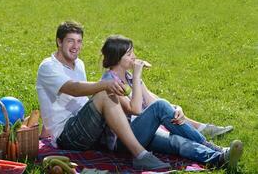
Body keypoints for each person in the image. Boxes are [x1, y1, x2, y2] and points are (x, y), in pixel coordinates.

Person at [37, 21, 172, 170]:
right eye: (70, 41)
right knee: (104, 94)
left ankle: (197, 145)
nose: (76, 46)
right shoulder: (48, 66)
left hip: (86, 127)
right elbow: (74, 89)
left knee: (163, 136)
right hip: (67, 135)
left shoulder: (79, 64)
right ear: (59, 42)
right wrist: (105, 85)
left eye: (79, 41)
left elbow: (78, 100)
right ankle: (141, 156)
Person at [99, 34, 243, 171]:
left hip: (144, 133)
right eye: (129, 54)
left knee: (177, 142)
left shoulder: (129, 78)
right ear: (117, 58)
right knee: (161, 106)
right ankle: (213, 147)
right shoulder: (108, 83)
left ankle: (220, 159)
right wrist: (137, 75)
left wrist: (176, 109)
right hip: (124, 143)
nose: (134, 57)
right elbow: (136, 109)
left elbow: (151, 102)